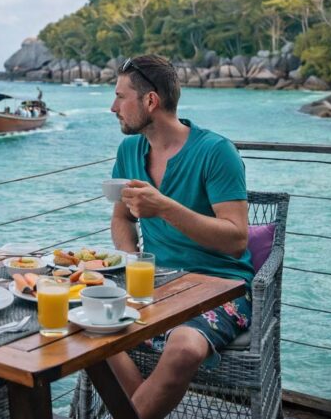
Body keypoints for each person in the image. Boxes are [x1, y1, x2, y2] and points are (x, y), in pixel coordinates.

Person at [108, 54, 252, 419]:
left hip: (220, 286)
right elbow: (121, 217)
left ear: (150, 101)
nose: (113, 107)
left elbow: (237, 239)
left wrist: (165, 207)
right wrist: (130, 261)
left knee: (185, 348)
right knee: (82, 323)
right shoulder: (129, 150)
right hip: (154, 283)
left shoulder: (216, 152)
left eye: (121, 96)